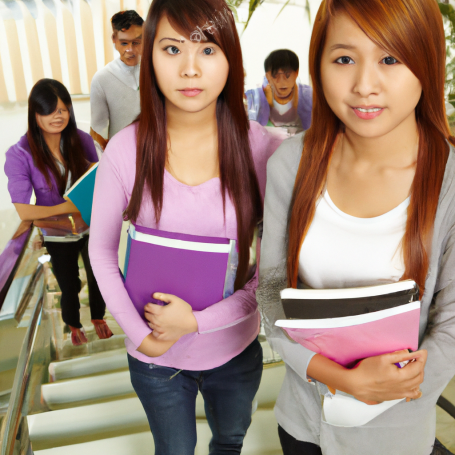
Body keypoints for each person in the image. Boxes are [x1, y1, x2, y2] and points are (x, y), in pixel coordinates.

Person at [257, 0, 455, 454]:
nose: (365, 85)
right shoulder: (292, 163)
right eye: (344, 59)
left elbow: (452, 320)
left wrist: (391, 387)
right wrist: (337, 378)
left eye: (390, 58)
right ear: (319, 64)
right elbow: (271, 290)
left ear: (425, 61)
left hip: (396, 434)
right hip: (303, 423)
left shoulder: (448, 181)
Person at [88, 0, 285, 453]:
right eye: (172, 50)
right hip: (154, 355)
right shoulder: (125, 150)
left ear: (231, 58)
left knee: (229, 440)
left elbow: (271, 273)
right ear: (148, 57)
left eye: (208, 50)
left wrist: (195, 322)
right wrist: (142, 338)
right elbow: (100, 253)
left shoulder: (265, 151)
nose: (190, 69)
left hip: (233, 349)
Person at [4, 79, 113, 346]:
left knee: (101, 274)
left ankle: (99, 316)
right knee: (68, 282)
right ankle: (73, 324)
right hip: (56, 233)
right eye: (50, 110)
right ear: (35, 113)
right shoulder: (19, 154)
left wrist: (72, 205)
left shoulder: (82, 140)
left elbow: (99, 182)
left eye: (63, 109)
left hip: (91, 225)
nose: (58, 116)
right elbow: (23, 211)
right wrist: (69, 206)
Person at [90, 10, 144, 150]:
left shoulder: (156, 71)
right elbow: (97, 130)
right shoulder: (102, 79)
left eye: (136, 42)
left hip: (156, 150)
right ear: (114, 39)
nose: (130, 50)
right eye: (124, 43)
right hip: (122, 154)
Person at [245, 49, 312, 134]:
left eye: (287, 75)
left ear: (296, 73)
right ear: (268, 76)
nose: (282, 81)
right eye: (275, 75)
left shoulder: (310, 97)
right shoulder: (254, 99)